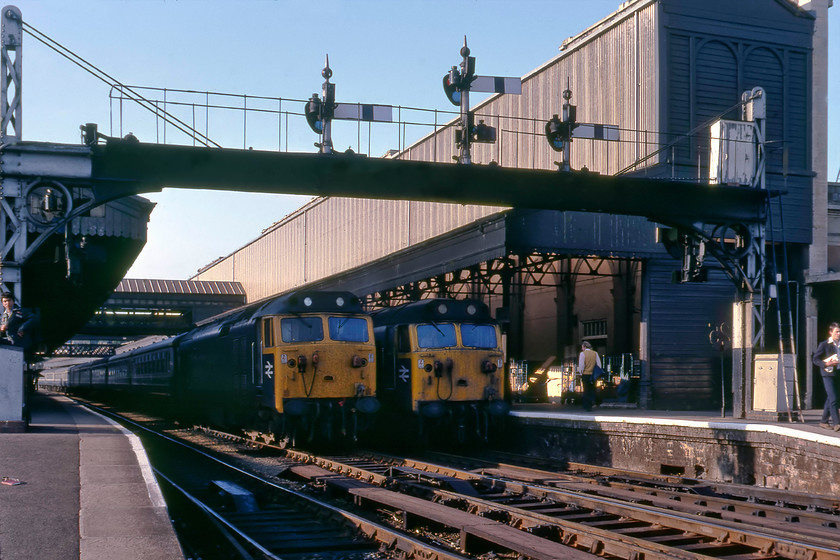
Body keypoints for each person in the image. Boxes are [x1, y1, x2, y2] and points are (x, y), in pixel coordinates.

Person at [812, 322, 840, 431]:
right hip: (828, 373)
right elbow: (815, 359)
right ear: (830, 332)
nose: (839, 333)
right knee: (834, 399)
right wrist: (826, 364)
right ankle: (837, 423)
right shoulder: (824, 344)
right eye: (837, 331)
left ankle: (823, 421)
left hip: (838, 373)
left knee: (831, 397)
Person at [578, 340, 602, 412]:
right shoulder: (595, 353)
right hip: (593, 375)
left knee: (586, 390)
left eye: (582, 347)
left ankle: (587, 406)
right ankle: (592, 403)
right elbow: (599, 365)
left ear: (584, 347)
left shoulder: (582, 354)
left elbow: (581, 365)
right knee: (592, 389)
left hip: (585, 374)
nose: (582, 348)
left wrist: (580, 373)